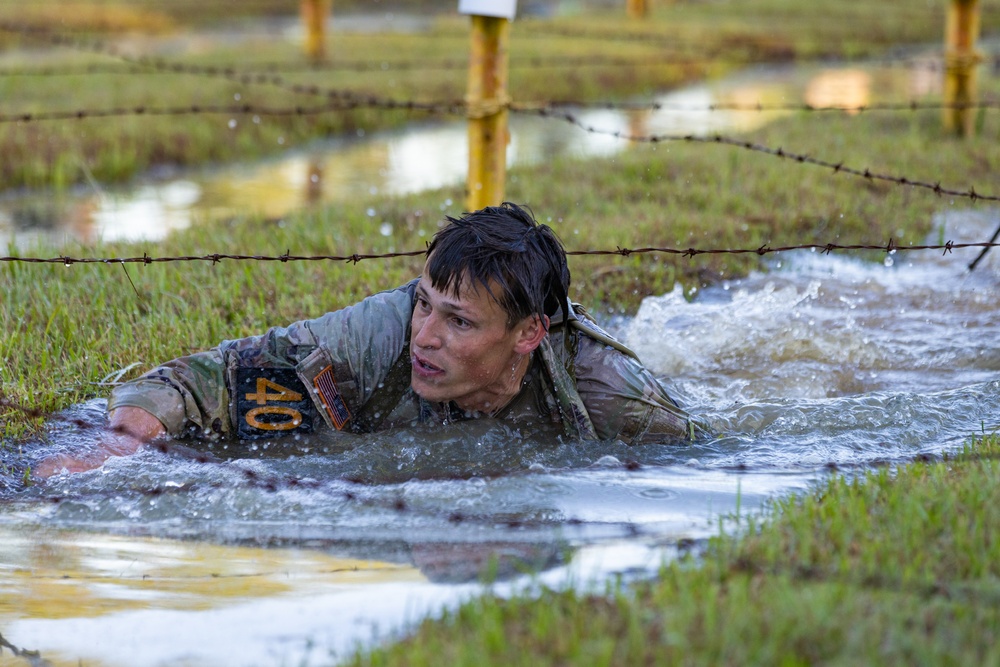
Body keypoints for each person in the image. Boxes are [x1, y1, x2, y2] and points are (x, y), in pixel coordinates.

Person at [36, 203, 699, 477]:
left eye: (460, 322)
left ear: (529, 333)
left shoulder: (612, 395)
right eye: (427, 306)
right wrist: (117, 444)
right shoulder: (379, 335)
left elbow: (704, 467)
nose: (427, 337)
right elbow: (198, 380)